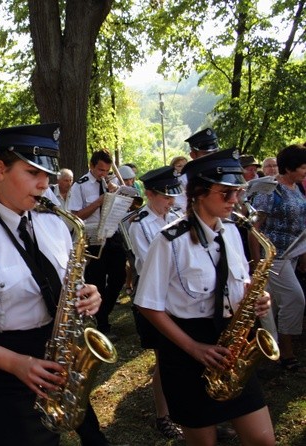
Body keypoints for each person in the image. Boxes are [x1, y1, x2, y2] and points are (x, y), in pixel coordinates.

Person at [0, 123, 113, 446]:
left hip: (52, 355)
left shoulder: (54, 223)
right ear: (0, 169)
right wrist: (15, 363)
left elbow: (71, 283)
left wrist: (89, 295)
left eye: (48, 176)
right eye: (32, 173)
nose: (44, 185)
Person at [134, 148, 275, 446]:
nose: (233, 201)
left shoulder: (233, 232)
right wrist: (195, 348)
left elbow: (241, 283)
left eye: (236, 193)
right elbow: (147, 305)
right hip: (187, 348)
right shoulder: (169, 240)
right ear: (198, 192)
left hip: (232, 345)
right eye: (225, 193)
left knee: (263, 440)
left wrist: (257, 297)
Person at [126, 166, 184, 440]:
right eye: (164, 197)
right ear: (149, 194)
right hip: (155, 296)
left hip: (180, 293)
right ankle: (164, 415)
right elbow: (151, 263)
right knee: (164, 356)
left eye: (172, 196)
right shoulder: (140, 223)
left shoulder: (175, 217)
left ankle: (190, 412)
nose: (170, 202)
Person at [250, 143, 306, 372]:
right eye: (303, 167)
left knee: (270, 306)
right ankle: (287, 352)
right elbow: (254, 227)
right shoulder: (271, 189)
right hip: (273, 258)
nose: (305, 171)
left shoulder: (297, 188)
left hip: (291, 254)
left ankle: (271, 352)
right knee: (295, 299)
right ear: (290, 167)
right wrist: (256, 261)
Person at [67, 149, 126, 339]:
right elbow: (75, 215)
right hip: (93, 239)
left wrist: (117, 196)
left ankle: (104, 312)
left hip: (112, 234)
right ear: (91, 166)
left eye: (107, 171)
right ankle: (102, 325)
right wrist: (100, 201)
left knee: (119, 277)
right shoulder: (80, 186)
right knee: (97, 282)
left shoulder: (111, 183)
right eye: (100, 170)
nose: (103, 175)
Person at [172, 128, 220, 213]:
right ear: (193, 155)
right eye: (206, 154)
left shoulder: (223, 174)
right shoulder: (183, 181)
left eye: (215, 152)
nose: (212, 157)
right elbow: (181, 210)